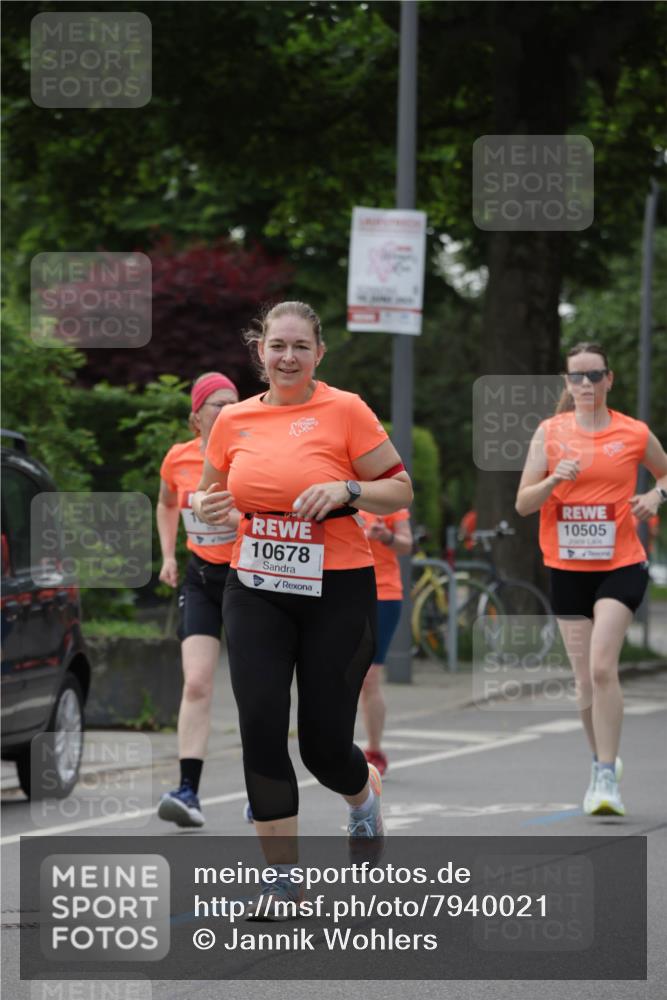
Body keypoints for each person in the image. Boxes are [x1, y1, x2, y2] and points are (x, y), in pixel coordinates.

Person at [192, 300, 413, 916]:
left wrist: (348, 488)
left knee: (321, 746)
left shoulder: (345, 410)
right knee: (260, 725)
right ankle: (284, 880)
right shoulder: (233, 420)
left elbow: (399, 487)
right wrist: (213, 510)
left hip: (337, 590)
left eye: (300, 347)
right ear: (259, 351)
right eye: (277, 346)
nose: (287, 357)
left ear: (319, 354)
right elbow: (213, 497)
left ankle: (362, 795)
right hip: (256, 585)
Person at [516, 342, 667, 816]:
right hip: (566, 566)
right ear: (566, 382)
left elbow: (665, 475)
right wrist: (554, 479)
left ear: (609, 379)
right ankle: (602, 761)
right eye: (576, 377)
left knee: (603, 667)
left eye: (593, 375)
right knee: (584, 681)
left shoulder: (634, 433)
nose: (585, 385)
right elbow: (524, 502)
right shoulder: (550, 432)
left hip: (621, 562)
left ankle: (605, 776)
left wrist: (656, 497)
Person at [156, 372, 240, 827]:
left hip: (248, 579)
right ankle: (188, 791)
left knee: (255, 687)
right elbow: (167, 502)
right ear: (196, 417)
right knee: (196, 683)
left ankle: (264, 788)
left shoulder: (251, 456)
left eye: (234, 403)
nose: (228, 411)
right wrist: (168, 554)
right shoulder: (179, 458)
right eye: (218, 405)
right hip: (201, 577)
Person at [358, 510, 413, 775]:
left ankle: (374, 749)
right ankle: (333, 748)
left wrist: (387, 536)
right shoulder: (333, 487)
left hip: (383, 595)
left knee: (369, 676)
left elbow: (406, 543)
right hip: (341, 592)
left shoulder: (387, 497)